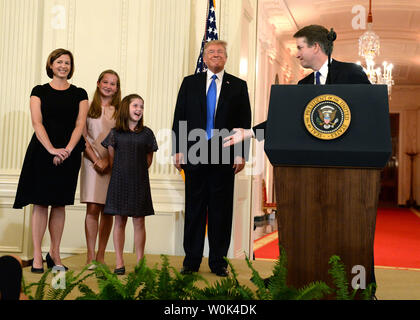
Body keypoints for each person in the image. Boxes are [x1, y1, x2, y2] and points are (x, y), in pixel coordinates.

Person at [172, 40, 252, 277]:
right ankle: (192, 261)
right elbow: (179, 117)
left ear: (226, 57)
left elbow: (244, 122)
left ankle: (218, 262)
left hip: (224, 155)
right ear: (204, 58)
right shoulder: (190, 83)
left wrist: (240, 153)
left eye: (220, 52)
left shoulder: (238, 85)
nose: (215, 55)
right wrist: (178, 149)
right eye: (211, 52)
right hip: (194, 154)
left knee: (221, 212)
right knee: (194, 209)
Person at [223, 24, 370, 146]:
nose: (297, 54)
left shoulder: (351, 72)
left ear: (316, 47)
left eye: (300, 47)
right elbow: (287, 119)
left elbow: (369, 113)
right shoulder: (303, 83)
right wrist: (250, 133)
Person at [13, 48, 89, 273]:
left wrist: (66, 150)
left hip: (69, 152)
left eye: (67, 62)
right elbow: (37, 123)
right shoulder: (38, 91)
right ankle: (37, 254)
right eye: (59, 62)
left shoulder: (80, 93)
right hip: (42, 151)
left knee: (59, 203)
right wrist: (52, 150)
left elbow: (79, 125)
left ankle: (54, 253)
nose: (63, 66)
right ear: (51, 65)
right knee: (40, 203)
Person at [101, 94, 158, 275]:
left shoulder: (147, 133)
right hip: (119, 181)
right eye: (135, 106)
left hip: (139, 181)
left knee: (139, 221)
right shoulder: (115, 133)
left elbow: (149, 158)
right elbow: (111, 159)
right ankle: (119, 262)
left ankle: (140, 262)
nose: (139, 110)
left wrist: (137, 170)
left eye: (141, 106)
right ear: (126, 108)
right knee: (119, 221)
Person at [80, 70, 121, 269]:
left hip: (112, 163)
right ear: (98, 83)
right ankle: (89, 256)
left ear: (117, 88)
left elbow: (122, 138)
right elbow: (82, 136)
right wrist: (96, 160)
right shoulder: (87, 107)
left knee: (108, 210)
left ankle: (101, 255)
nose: (109, 86)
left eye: (113, 83)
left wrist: (108, 162)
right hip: (91, 162)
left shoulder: (121, 110)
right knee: (93, 208)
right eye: (106, 82)